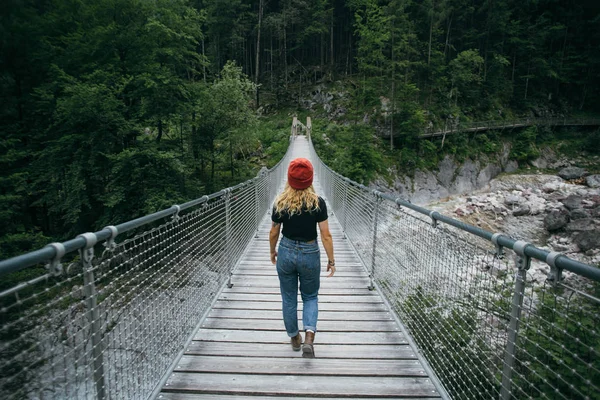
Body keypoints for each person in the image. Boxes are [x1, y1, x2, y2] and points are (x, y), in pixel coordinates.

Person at [269, 157, 335, 358]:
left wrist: (273, 251)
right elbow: (325, 234)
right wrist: (331, 260)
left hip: (286, 251)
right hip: (309, 253)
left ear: (289, 179)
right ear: (310, 179)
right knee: (310, 296)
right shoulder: (318, 203)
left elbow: (274, 232)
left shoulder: (280, 202)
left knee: (289, 298)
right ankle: (309, 337)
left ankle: (294, 338)